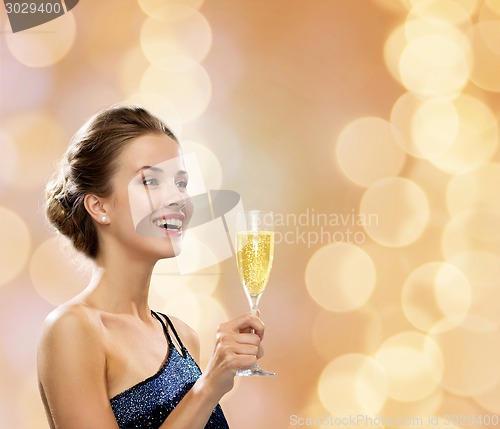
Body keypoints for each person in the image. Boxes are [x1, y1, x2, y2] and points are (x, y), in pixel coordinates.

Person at [38, 105, 266, 429]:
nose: (177, 199)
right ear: (99, 206)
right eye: (150, 181)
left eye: (182, 183)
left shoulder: (183, 337)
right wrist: (209, 385)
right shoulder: (73, 330)